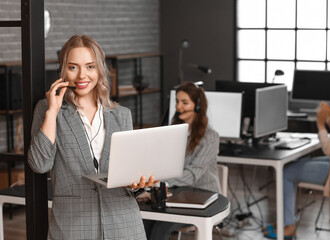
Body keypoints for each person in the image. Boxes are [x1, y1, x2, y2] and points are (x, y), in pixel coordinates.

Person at [28, 35, 155, 240]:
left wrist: (137, 185)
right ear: (62, 70)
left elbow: (129, 175)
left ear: (100, 70)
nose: (82, 76)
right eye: (73, 67)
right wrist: (53, 111)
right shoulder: (47, 109)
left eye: (90, 67)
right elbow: (39, 164)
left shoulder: (121, 115)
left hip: (124, 224)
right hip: (73, 225)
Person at [263, 75, 330, 239]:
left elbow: (329, 149)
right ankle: (285, 220)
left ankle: (288, 226)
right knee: (296, 164)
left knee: (285, 173)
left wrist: (320, 124)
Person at [144, 81, 221, 240]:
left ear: (198, 106)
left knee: (161, 226)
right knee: (144, 221)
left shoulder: (210, 137)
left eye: (185, 103)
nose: (179, 107)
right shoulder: (174, 132)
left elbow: (192, 175)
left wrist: (159, 182)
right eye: (177, 102)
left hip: (202, 195)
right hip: (176, 193)